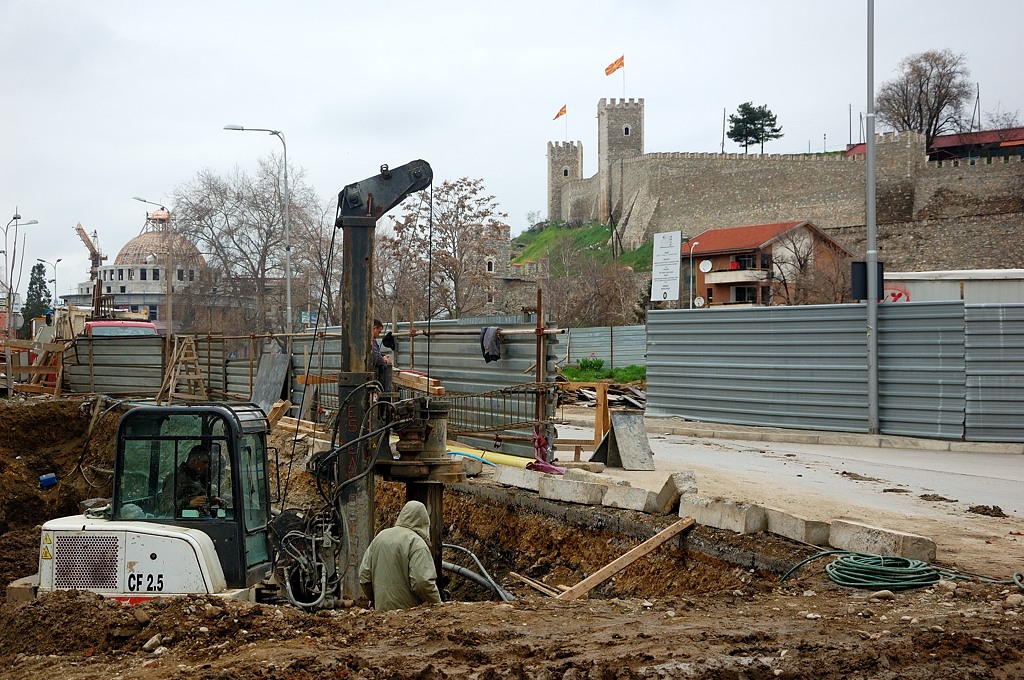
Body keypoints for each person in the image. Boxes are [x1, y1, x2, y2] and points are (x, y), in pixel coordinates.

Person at [358, 500, 442, 610]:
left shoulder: (380, 536)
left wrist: (375, 599)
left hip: (380, 614)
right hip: (408, 615)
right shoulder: (416, 542)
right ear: (424, 522)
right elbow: (422, 582)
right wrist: (437, 604)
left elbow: (364, 575)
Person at [161, 445, 226, 516]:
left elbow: (194, 497)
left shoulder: (194, 476)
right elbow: (165, 505)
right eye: (204, 462)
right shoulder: (176, 478)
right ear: (193, 461)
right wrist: (189, 503)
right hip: (182, 522)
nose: (207, 466)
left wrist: (212, 500)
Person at [371, 319, 393, 391]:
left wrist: (382, 356)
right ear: (374, 328)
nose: (379, 334)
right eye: (379, 332)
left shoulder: (373, 341)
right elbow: (376, 357)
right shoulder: (369, 341)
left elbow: (377, 353)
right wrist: (385, 361)